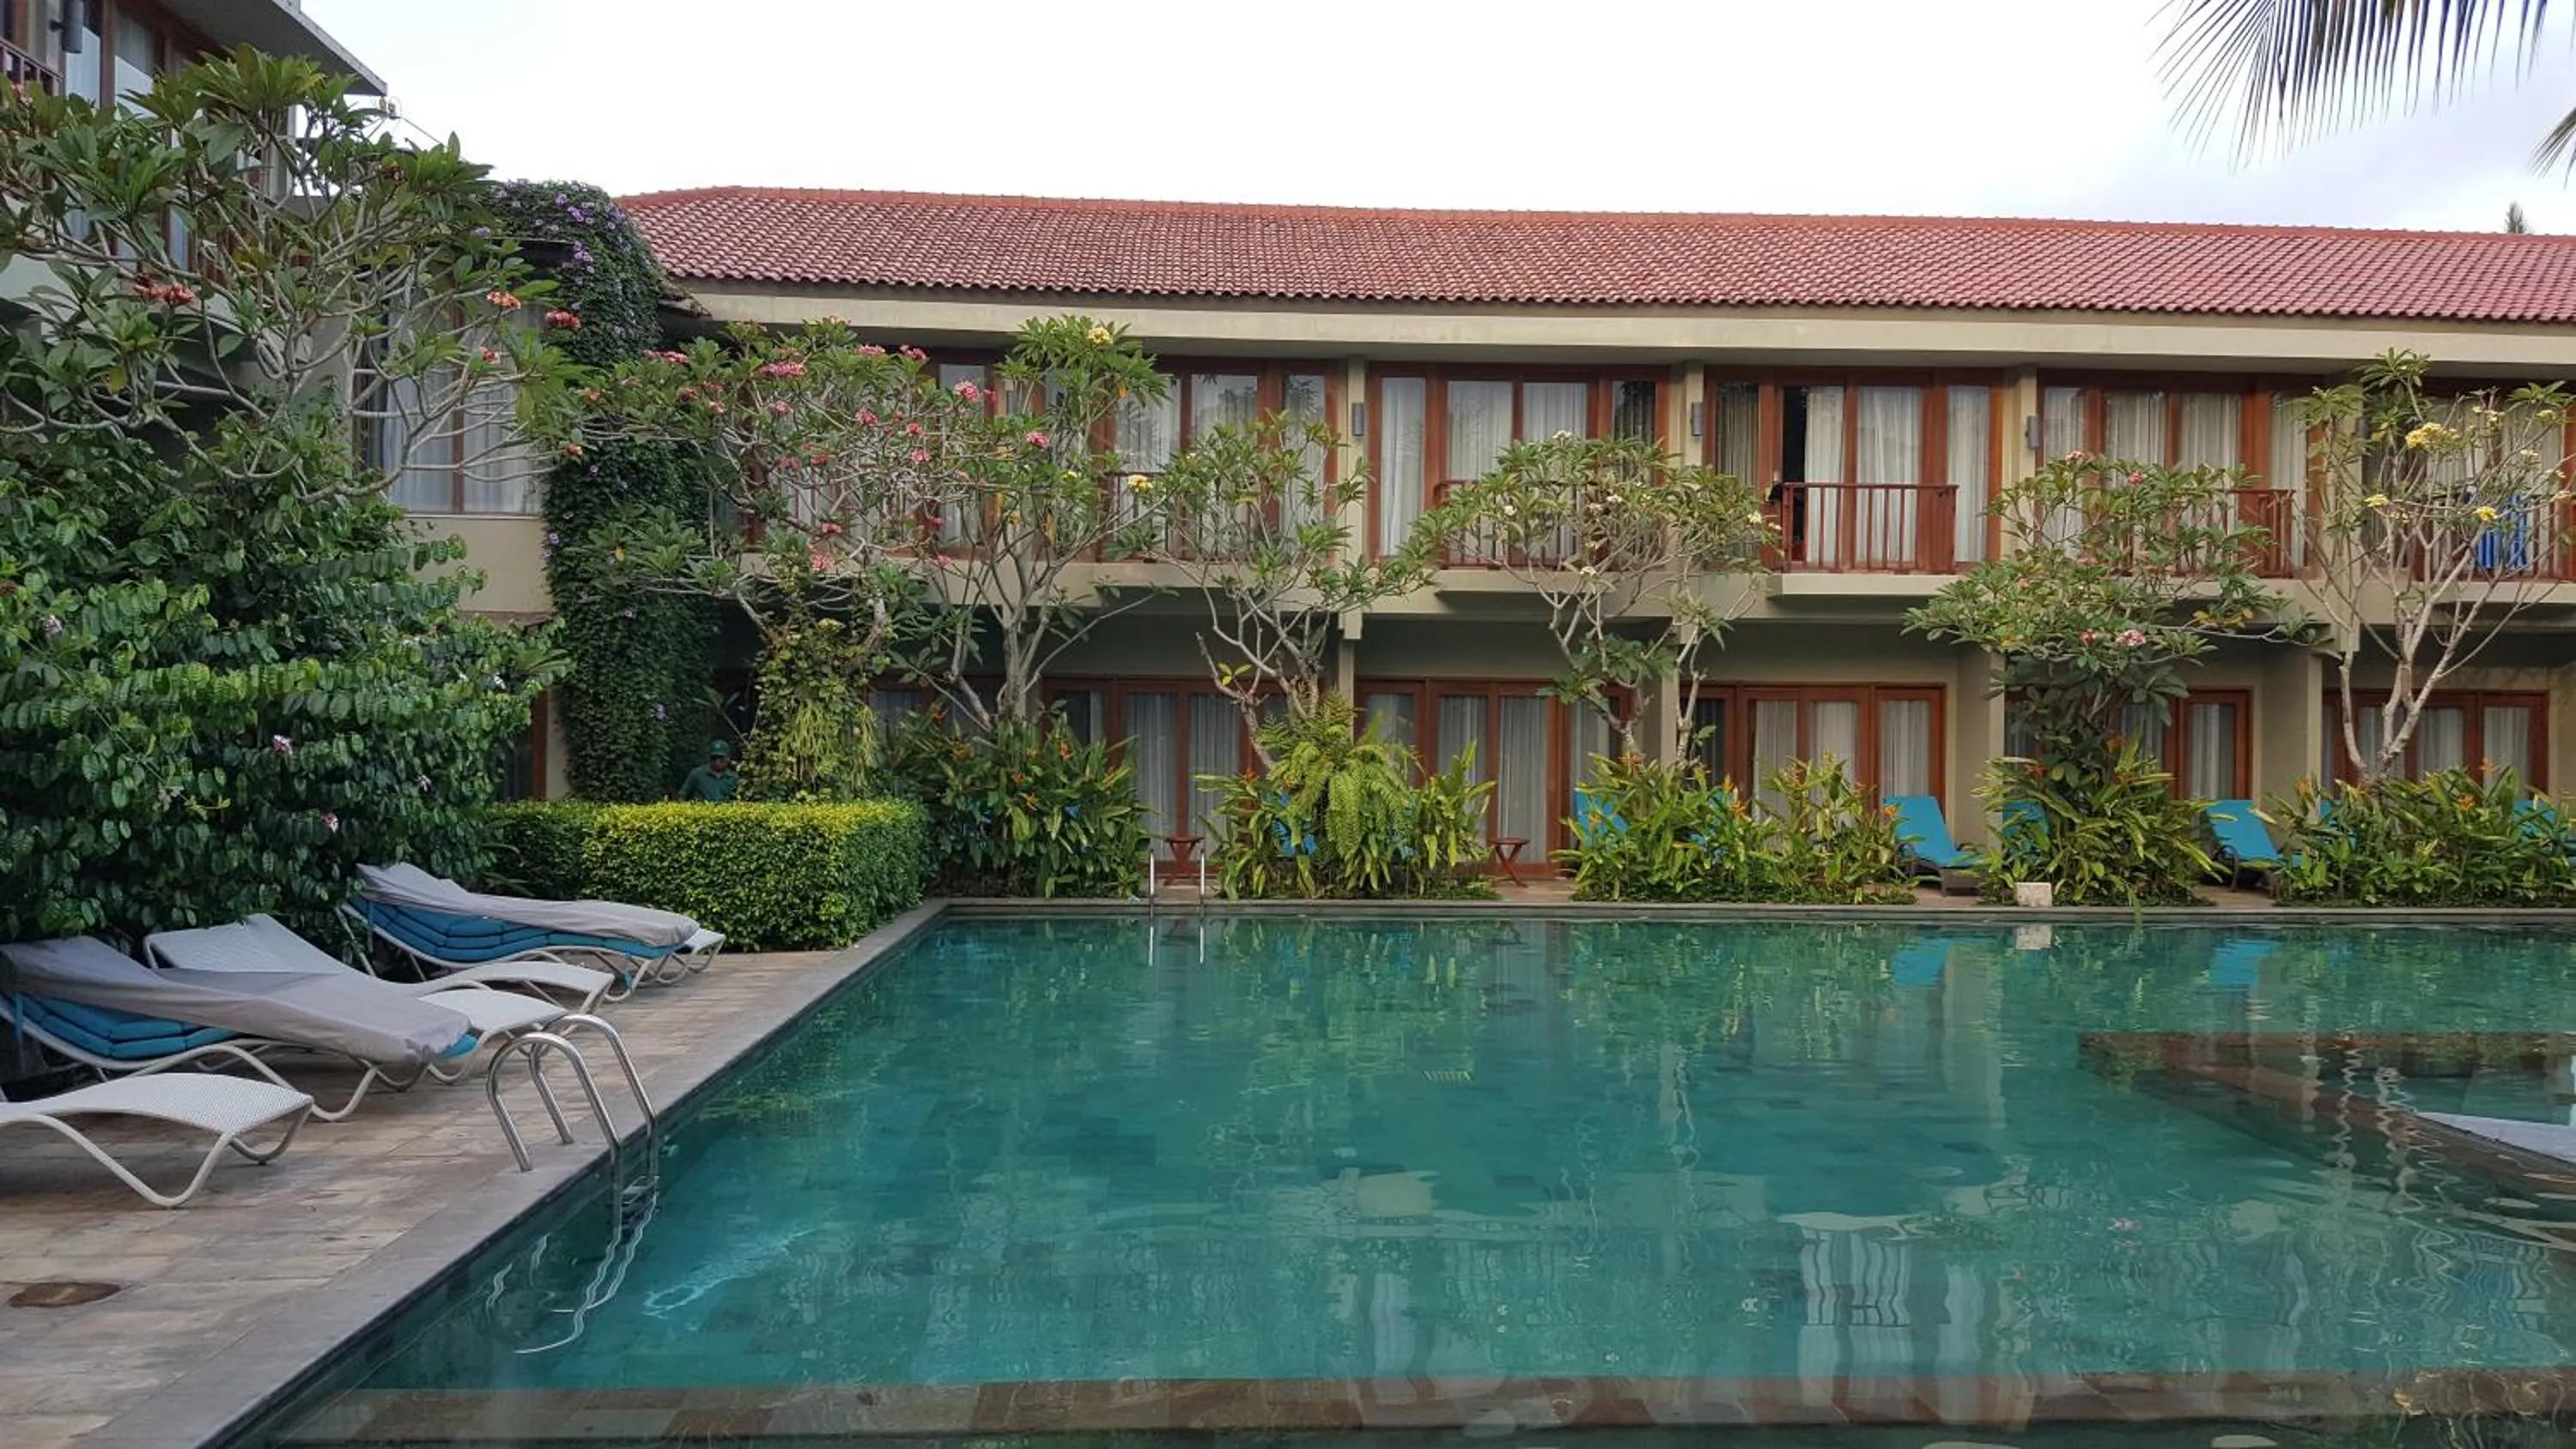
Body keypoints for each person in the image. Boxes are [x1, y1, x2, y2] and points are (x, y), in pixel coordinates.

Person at [679, 739, 738, 803]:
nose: (717, 762)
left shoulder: (734, 778)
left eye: (721, 758)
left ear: (728, 758)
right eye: (714, 758)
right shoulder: (697, 774)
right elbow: (682, 796)